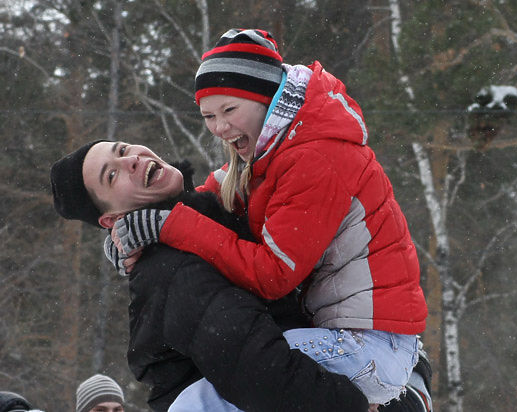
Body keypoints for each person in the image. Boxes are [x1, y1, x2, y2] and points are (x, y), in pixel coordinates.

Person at [111, 28, 428, 408]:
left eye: (229, 110)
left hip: (372, 347)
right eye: (208, 116)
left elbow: (272, 273)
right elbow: (209, 203)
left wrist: (169, 226)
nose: (218, 127)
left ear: (268, 98)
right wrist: (137, 233)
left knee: (216, 393)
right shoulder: (270, 153)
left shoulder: (315, 157)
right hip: (347, 338)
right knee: (224, 381)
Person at [50, 141, 370, 411]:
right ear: (113, 219)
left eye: (121, 149)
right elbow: (257, 371)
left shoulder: (209, 219)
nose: (131, 160)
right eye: (112, 174)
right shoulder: (170, 269)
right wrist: (354, 405)